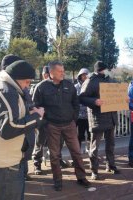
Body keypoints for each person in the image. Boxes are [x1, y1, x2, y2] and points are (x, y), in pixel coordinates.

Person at [0, 60, 44, 200]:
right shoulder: (6, 91)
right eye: (27, 82)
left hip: (6, 161)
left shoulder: (9, 88)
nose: (27, 86)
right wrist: (37, 117)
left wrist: (30, 112)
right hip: (3, 164)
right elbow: (8, 128)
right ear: (16, 79)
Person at [33, 61, 90, 191]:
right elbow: (36, 107)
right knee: (54, 155)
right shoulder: (41, 87)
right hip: (52, 126)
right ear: (51, 72)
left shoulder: (69, 85)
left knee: (76, 152)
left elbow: (76, 103)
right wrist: (45, 122)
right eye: (60, 71)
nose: (63, 73)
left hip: (69, 124)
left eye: (63, 70)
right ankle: (57, 181)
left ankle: (81, 177)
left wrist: (73, 119)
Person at [79, 61, 120, 180]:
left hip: (111, 117)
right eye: (105, 69)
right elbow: (82, 98)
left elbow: (118, 93)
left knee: (111, 144)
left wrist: (123, 99)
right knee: (94, 147)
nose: (107, 71)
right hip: (98, 118)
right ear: (100, 70)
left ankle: (111, 165)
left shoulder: (110, 80)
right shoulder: (90, 80)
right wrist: (94, 102)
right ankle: (94, 171)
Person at [74, 68, 90, 150]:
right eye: (83, 75)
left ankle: (92, 152)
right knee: (79, 136)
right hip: (79, 116)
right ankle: (78, 153)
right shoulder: (75, 87)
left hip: (90, 116)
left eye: (86, 75)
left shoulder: (91, 86)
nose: (84, 76)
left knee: (91, 135)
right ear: (80, 76)